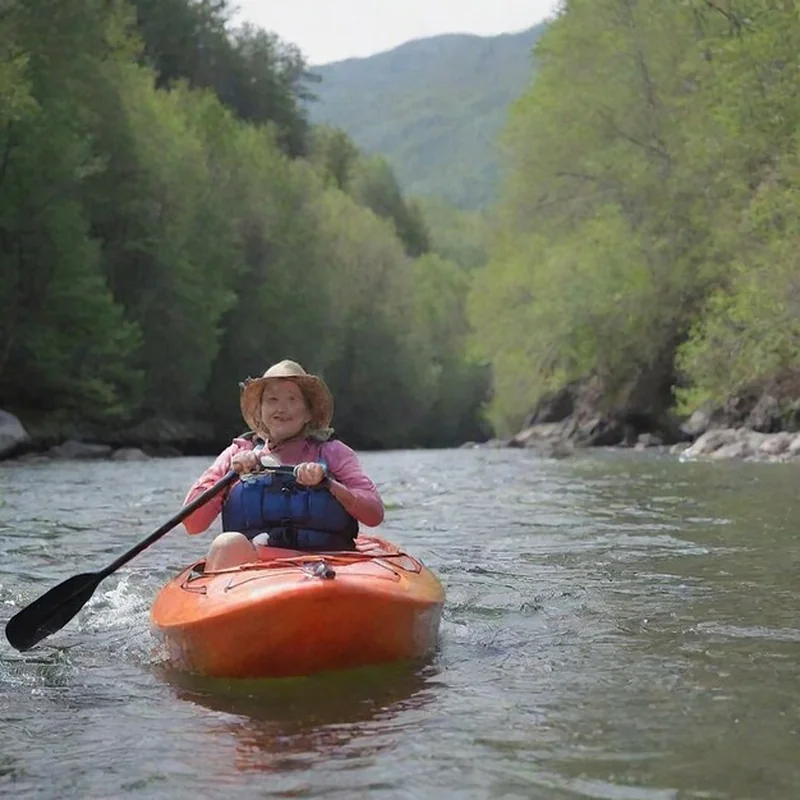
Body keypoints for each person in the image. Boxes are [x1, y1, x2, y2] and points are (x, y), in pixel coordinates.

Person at [182, 359, 385, 570]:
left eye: (292, 399)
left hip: (329, 564)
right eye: (272, 399)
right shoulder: (238, 453)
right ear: (260, 410)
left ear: (308, 412)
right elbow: (192, 524)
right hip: (253, 570)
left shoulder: (334, 453)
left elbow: (374, 514)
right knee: (227, 543)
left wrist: (328, 483)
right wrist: (231, 475)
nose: (281, 408)